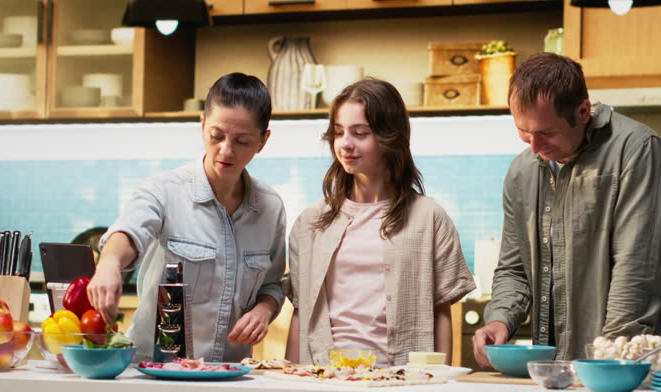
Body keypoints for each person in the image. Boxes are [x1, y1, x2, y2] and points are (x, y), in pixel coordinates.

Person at [472, 53, 661, 364]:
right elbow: (514, 268)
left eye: (546, 133)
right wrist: (500, 319)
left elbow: (636, 266)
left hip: (624, 361)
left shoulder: (636, 149)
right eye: (523, 132)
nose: (534, 148)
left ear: (583, 111)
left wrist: (611, 355)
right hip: (556, 365)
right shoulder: (522, 171)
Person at [87, 72, 286, 362]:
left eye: (242, 141)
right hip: (154, 371)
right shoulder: (165, 190)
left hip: (229, 374)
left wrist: (264, 310)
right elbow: (129, 231)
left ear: (263, 141)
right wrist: (109, 263)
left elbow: (271, 284)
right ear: (202, 125)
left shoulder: (270, 208)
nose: (226, 151)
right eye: (216, 136)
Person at [285, 78, 475, 367]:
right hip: (322, 379)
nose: (345, 144)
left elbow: (441, 312)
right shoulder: (310, 222)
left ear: (390, 138)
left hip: (400, 381)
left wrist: (438, 383)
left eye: (360, 133)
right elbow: (302, 313)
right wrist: (291, 382)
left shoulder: (429, 218)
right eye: (339, 133)